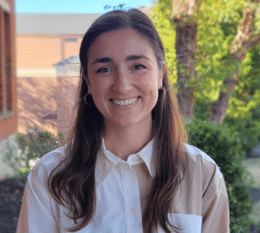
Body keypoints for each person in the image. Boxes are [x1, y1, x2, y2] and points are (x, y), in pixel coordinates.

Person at [16, 8, 230, 233]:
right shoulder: (49, 177)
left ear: (160, 74)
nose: (122, 85)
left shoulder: (203, 175)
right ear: (88, 82)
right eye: (104, 69)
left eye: (138, 66)